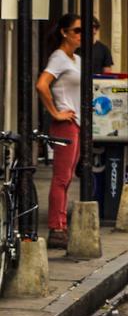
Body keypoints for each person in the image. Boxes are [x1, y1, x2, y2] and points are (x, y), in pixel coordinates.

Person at [35, 15, 83, 249]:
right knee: (61, 177)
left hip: (76, 124)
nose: (81, 35)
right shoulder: (59, 57)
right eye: (77, 30)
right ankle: (56, 226)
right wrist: (55, 112)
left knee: (68, 177)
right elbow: (41, 84)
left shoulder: (77, 60)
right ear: (64, 32)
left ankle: (61, 223)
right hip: (65, 122)